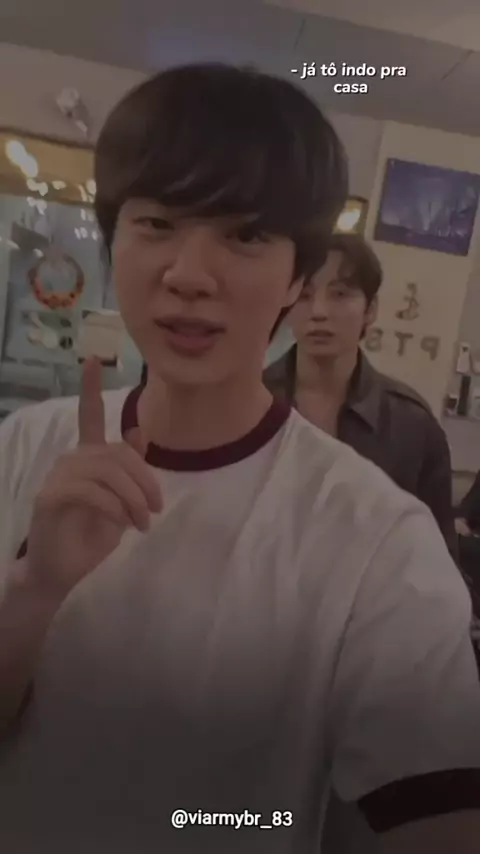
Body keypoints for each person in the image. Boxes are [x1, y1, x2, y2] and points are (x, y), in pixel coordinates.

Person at [0, 64, 479, 854]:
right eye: (157, 223)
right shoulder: (23, 450)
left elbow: (439, 823)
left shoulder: (375, 537)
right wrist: (34, 589)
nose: (189, 275)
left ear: (298, 279)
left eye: (246, 235)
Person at [264, 233, 458, 561]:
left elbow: (438, 560)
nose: (319, 311)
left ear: (371, 310)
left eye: (340, 294)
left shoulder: (411, 424)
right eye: (304, 295)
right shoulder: (248, 402)